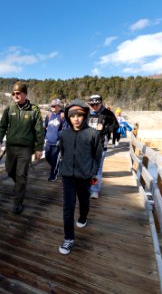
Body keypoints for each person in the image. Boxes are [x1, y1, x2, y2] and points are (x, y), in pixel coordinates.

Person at [57, 99, 103, 255]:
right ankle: (68, 238)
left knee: (84, 200)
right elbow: (63, 152)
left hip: (84, 176)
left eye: (80, 115)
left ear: (85, 116)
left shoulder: (93, 134)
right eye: (72, 115)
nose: (76, 118)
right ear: (68, 117)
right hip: (68, 175)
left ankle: (83, 216)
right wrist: (65, 167)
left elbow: (98, 155)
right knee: (68, 207)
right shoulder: (64, 134)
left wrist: (93, 171)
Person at [0, 81, 44, 214]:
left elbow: (39, 130)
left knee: (21, 175)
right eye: (13, 93)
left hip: (25, 149)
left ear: (25, 94)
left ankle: (18, 203)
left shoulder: (34, 110)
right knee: (10, 171)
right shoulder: (9, 108)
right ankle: (19, 187)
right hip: (10, 148)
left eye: (18, 93)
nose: (15, 95)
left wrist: (39, 148)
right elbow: (2, 126)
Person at [87, 94, 118, 199]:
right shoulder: (87, 113)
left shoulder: (108, 114)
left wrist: (105, 128)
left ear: (100, 103)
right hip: (87, 145)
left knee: (97, 170)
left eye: (96, 104)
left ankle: (94, 190)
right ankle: (87, 187)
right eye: (91, 104)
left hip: (100, 146)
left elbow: (115, 126)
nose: (94, 107)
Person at [44, 99, 64, 181]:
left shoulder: (63, 115)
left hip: (57, 142)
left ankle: (53, 175)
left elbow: (65, 129)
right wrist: (44, 136)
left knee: (55, 159)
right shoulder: (49, 115)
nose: (52, 107)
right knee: (47, 157)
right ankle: (58, 166)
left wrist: (61, 139)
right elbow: (44, 126)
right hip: (48, 141)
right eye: (51, 105)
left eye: (54, 106)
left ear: (59, 106)